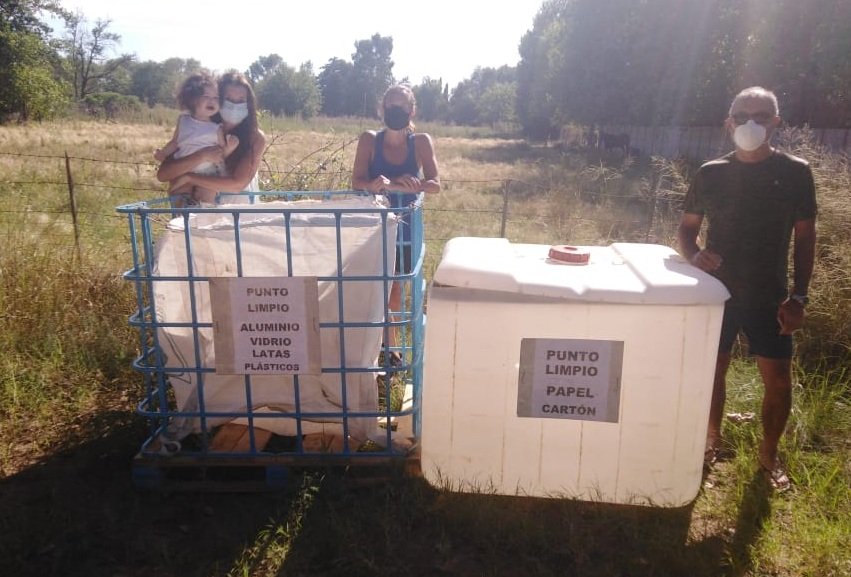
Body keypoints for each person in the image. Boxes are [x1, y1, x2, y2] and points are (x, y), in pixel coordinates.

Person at [677, 86, 817, 492]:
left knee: (778, 381)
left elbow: (805, 237)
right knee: (712, 371)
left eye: (760, 116)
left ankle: (768, 456)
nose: (749, 124)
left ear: (776, 122)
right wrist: (694, 255)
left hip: (769, 296)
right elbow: (687, 232)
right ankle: (710, 442)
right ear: (728, 123)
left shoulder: (795, 173)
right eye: (741, 116)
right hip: (715, 294)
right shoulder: (710, 172)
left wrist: (799, 296)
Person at [351, 84, 440, 363]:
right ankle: (375, 349)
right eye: (391, 106)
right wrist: (375, 185)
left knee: (394, 291)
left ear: (412, 111)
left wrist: (407, 184)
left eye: (402, 107)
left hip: (404, 228)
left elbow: (435, 185)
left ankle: (393, 353)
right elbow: (356, 181)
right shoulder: (368, 140)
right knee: (371, 287)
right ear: (382, 109)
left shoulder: (421, 142)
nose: (395, 111)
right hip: (372, 225)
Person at [157, 71, 266, 204]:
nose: (235, 106)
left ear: (248, 104)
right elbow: (163, 174)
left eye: (241, 101)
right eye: (229, 99)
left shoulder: (255, 137)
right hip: (200, 219)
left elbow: (237, 184)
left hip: (241, 215)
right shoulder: (195, 128)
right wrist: (201, 156)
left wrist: (190, 178)